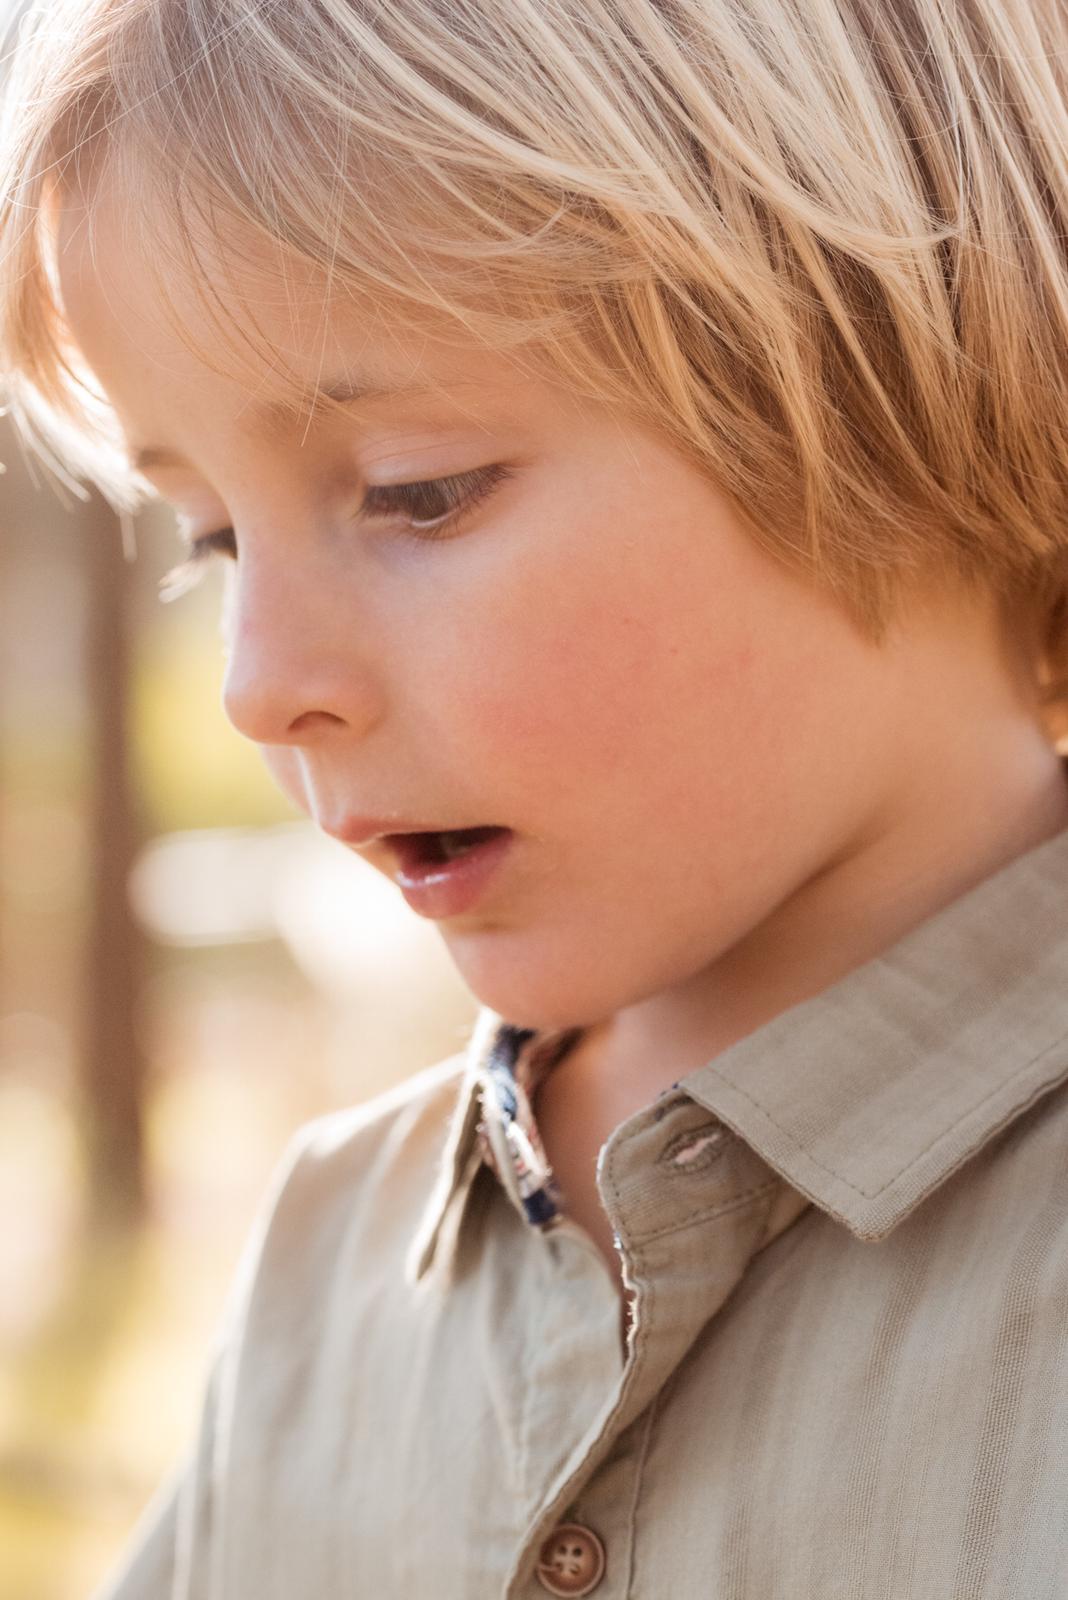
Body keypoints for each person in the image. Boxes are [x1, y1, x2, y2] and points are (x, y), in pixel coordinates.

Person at [3, 0, 1068, 1592]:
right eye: (213, 538)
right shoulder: (329, 1251)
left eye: (418, 491)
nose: (256, 681)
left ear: (890, 349)